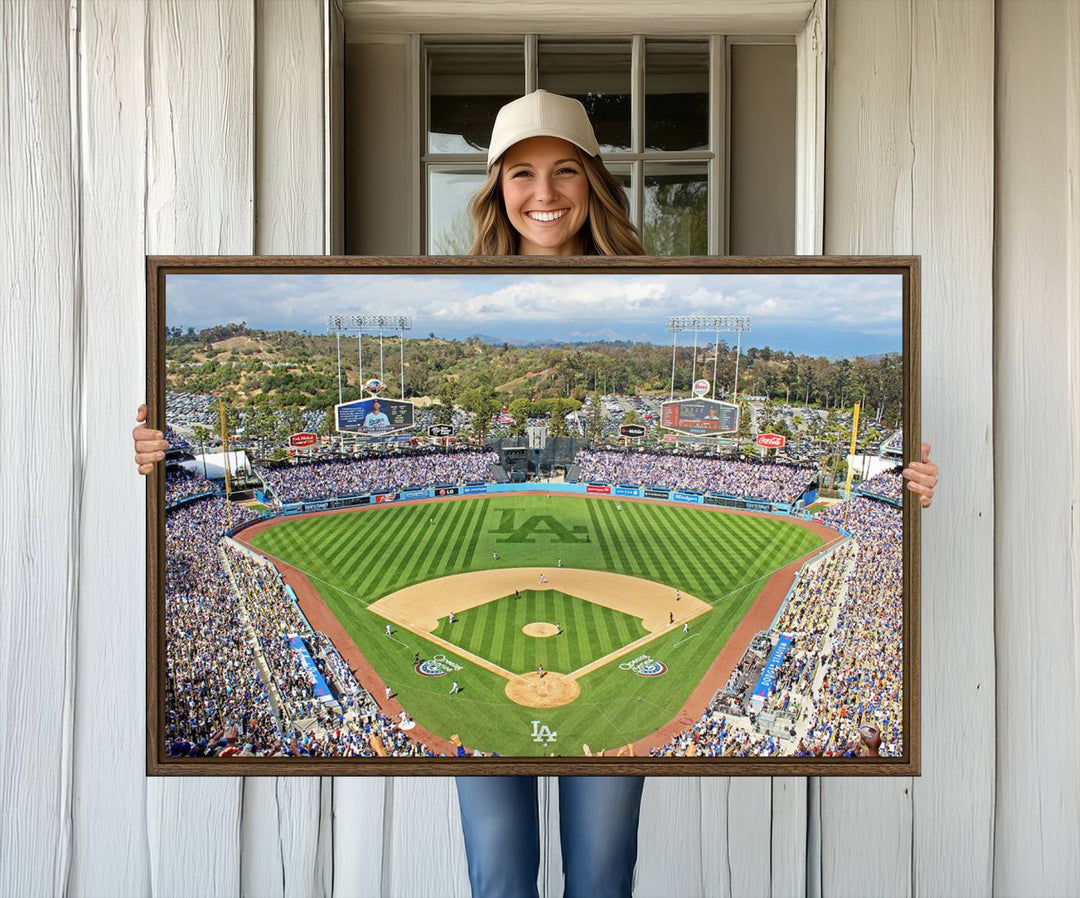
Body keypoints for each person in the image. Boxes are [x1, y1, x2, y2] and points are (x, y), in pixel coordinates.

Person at [132, 88, 939, 898]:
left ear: (593, 181)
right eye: (521, 174)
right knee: (500, 875)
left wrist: (905, 483)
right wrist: (159, 450)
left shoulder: (659, 289)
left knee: (600, 874)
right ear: (496, 189)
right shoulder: (447, 289)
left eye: (563, 171)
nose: (543, 193)